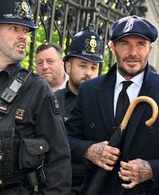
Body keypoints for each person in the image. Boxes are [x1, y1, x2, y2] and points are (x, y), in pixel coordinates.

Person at [65, 15, 159, 195]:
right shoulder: (89, 90)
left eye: (140, 44)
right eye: (125, 43)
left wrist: (153, 169)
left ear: (150, 50)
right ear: (113, 47)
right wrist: (89, 150)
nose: (133, 52)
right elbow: (66, 140)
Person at [0, 0, 72, 194]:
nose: (23, 36)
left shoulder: (37, 90)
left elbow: (59, 161)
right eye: (14, 28)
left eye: (25, 30)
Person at [55, 25, 104, 194]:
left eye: (93, 67)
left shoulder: (105, 105)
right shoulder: (52, 100)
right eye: (82, 65)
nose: (89, 73)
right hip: (55, 183)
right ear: (67, 66)